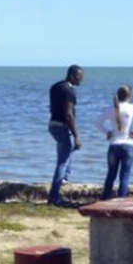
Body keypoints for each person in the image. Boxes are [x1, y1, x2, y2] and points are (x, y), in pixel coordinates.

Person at [94, 85, 133, 200]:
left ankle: (105, 200)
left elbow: (97, 124)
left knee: (111, 175)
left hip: (114, 145)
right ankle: (121, 201)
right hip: (129, 145)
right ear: (129, 96)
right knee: (124, 176)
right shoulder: (132, 108)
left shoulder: (110, 109)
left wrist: (107, 132)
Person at [47, 64, 84, 206]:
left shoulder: (55, 87)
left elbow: (52, 107)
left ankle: (64, 178)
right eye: (80, 77)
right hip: (63, 126)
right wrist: (76, 135)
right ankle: (54, 197)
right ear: (73, 75)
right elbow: (68, 115)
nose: (81, 80)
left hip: (53, 124)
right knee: (62, 161)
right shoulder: (69, 91)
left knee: (67, 152)